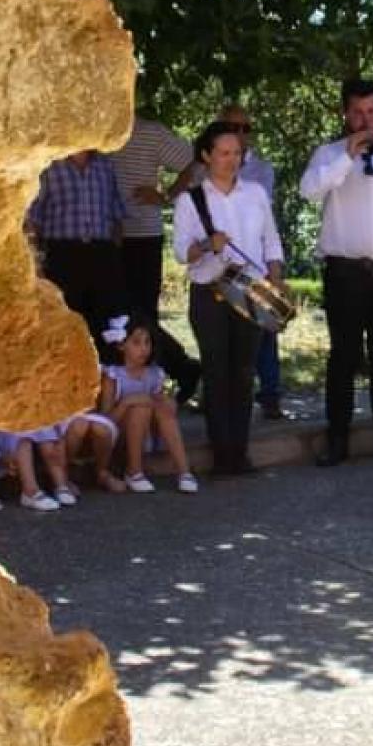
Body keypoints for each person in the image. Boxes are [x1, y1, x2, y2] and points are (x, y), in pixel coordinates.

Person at [299, 79, 373, 466]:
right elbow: (309, 191)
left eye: (371, 111)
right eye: (356, 112)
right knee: (343, 357)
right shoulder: (329, 153)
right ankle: (338, 439)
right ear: (345, 115)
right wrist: (346, 158)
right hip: (344, 271)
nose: (365, 118)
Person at [176, 121, 284, 477]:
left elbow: (271, 240)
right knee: (216, 371)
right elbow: (181, 253)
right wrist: (209, 245)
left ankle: (240, 451)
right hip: (210, 292)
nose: (231, 159)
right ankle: (221, 453)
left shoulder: (255, 193)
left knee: (243, 372)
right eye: (223, 153)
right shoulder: (190, 199)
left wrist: (276, 281)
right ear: (206, 155)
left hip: (250, 291)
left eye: (236, 153)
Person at [107, 114, 203, 404]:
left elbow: (198, 162)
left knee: (142, 316)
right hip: (102, 234)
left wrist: (167, 195)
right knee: (113, 316)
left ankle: (173, 373)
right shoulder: (93, 132)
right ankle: (124, 386)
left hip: (142, 234)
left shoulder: (150, 132)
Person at [218, 103, 286, 420]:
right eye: (233, 128)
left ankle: (270, 394)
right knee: (221, 340)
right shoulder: (202, 171)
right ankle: (219, 396)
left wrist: (275, 271)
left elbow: (264, 224)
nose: (240, 135)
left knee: (264, 334)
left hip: (254, 264)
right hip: (217, 267)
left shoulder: (262, 172)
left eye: (246, 129)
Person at [24, 149, 127, 335]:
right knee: (64, 317)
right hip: (62, 254)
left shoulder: (105, 165)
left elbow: (116, 213)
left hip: (102, 252)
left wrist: (114, 252)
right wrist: (36, 262)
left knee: (105, 318)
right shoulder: (50, 165)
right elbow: (33, 217)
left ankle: (102, 362)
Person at [98, 314, 197, 493]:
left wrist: (167, 402)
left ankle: (184, 471)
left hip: (148, 437)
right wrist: (128, 402)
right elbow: (105, 423)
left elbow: (165, 408)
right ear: (121, 345)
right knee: (140, 409)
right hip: (121, 438)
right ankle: (134, 471)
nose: (144, 349)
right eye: (136, 343)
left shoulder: (154, 373)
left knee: (161, 408)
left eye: (147, 343)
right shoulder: (113, 376)